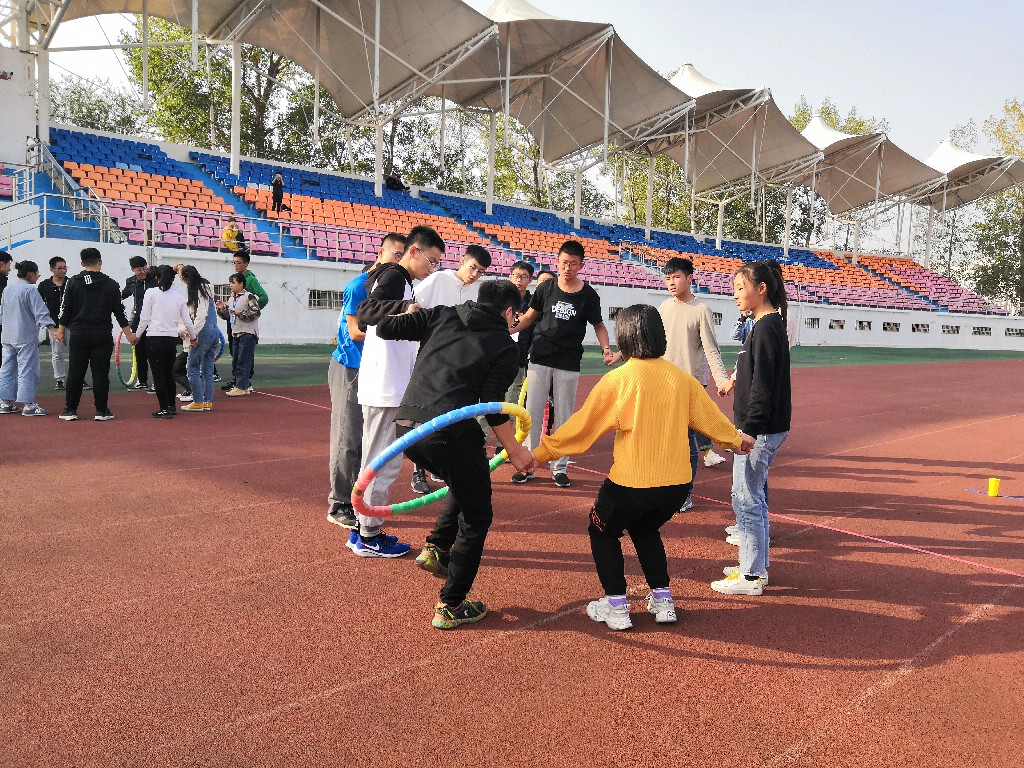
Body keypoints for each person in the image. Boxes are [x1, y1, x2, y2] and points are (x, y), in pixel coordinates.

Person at [527, 304, 753, 630]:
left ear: (624, 338)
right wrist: (736, 440)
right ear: (659, 336)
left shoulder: (619, 380)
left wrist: (541, 454)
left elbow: (582, 427)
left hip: (631, 484)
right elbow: (711, 419)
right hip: (676, 486)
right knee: (645, 529)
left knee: (602, 531)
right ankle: (663, 601)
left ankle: (617, 606)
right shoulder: (682, 379)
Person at [376, 279, 533, 629]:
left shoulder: (441, 314)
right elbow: (493, 406)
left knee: (464, 480)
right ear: (509, 311)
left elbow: (385, 328)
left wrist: (411, 311)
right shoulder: (504, 346)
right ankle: (451, 604)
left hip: (408, 428)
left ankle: (436, 547)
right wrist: (515, 450)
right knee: (477, 517)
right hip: (447, 434)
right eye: (516, 315)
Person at [351, 225, 442, 557]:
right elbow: (366, 313)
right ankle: (368, 535)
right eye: (431, 261)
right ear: (413, 251)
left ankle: (362, 530)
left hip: (388, 385)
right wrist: (405, 308)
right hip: (385, 387)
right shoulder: (394, 276)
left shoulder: (401, 280)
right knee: (382, 461)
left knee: (377, 459)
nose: (433, 268)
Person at [712, 261, 792, 596]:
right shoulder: (762, 325)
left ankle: (751, 575)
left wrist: (751, 430)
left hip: (758, 429)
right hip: (756, 426)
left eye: (740, 288)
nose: (735, 295)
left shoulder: (767, 327)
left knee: (747, 499)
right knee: (747, 497)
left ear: (761, 289)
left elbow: (763, 386)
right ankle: (753, 567)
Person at [510, 241, 614, 488]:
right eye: (564, 263)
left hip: (568, 361)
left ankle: (559, 467)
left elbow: (599, 325)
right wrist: (507, 329)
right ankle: (528, 465)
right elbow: (529, 317)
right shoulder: (546, 288)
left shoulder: (588, 295)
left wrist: (606, 348)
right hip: (540, 357)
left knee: (564, 417)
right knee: (531, 413)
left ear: (581, 266)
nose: (568, 268)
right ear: (557, 262)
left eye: (573, 264)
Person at [327, 232, 407, 529]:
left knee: (369, 439)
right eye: (396, 254)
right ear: (380, 253)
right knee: (347, 438)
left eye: (403, 255)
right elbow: (355, 332)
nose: (399, 260)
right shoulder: (358, 286)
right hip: (351, 367)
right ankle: (339, 503)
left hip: (374, 370)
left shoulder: (398, 287)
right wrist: (399, 323)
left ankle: (358, 498)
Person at [406, 243, 491, 494]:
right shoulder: (439, 280)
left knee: (449, 412)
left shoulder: (477, 291)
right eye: (473, 267)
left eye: (481, 271)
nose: (474, 274)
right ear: (463, 261)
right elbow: (413, 305)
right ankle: (418, 470)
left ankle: (439, 464)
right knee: (423, 413)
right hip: (428, 357)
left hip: (456, 363)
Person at [656, 257, 733, 507]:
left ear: (690, 278)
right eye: (668, 278)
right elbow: (652, 343)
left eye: (676, 277)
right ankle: (667, 486)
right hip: (663, 384)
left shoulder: (701, 310)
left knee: (686, 440)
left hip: (689, 386)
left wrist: (721, 379)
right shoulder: (663, 308)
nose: (671, 282)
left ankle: (684, 494)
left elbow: (711, 349)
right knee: (666, 439)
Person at [57, 248, 136, 421]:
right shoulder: (111, 284)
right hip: (101, 333)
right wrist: (129, 334)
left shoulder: (72, 282)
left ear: (82, 263)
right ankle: (101, 410)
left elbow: (65, 309)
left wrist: (61, 331)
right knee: (100, 373)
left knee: (75, 372)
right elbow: (119, 312)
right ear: (100, 262)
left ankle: (71, 410)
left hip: (78, 333)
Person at [135, 265, 197, 419]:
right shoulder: (179, 298)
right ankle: (171, 406)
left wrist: (136, 336)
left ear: (156, 278)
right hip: (170, 340)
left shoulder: (150, 293)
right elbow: (187, 322)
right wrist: (193, 337)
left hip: (153, 339)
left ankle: (163, 408)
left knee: (158, 375)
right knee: (169, 374)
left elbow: (144, 319)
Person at [0, 260, 59, 416]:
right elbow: (41, 312)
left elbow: (2, 313)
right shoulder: (30, 290)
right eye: (37, 273)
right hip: (25, 336)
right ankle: (29, 405)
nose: (38, 276)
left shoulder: (8, 289)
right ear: (31, 274)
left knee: (7, 369)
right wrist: (53, 330)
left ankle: (5, 402)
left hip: (7, 335)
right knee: (27, 369)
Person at [221, 251, 268, 391]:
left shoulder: (250, 280)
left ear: (246, 264)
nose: (235, 265)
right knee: (235, 351)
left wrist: (250, 313)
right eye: (233, 263)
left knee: (244, 352)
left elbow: (264, 297)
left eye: (238, 263)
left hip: (245, 323)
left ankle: (245, 380)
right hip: (234, 321)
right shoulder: (236, 279)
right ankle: (238, 379)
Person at [179, 265, 220, 412]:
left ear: (186, 278)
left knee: (193, 369)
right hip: (214, 332)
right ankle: (207, 401)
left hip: (203, 333)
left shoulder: (197, 290)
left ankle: (197, 401)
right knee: (208, 369)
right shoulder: (208, 289)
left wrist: (193, 335)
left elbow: (201, 316)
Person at [216, 273, 261, 397]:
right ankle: (243, 385)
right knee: (236, 360)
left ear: (241, 284)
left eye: (233, 283)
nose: (231, 285)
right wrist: (221, 309)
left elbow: (256, 312)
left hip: (248, 333)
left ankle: (241, 386)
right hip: (235, 333)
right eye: (230, 283)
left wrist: (239, 314)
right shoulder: (231, 298)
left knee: (243, 360)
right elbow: (228, 316)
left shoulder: (249, 296)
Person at [121, 255, 157, 391]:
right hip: (138, 319)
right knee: (139, 351)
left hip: (154, 319)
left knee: (153, 351)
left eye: (144, 269)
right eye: (139, 270)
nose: (142, 272)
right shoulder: (131, 281)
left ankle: (157, 382)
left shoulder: (154, 278)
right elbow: (122, 295)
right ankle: (142, 381)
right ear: (133, 270)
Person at [37, 257, 69, 389]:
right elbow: (38, 304)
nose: (63, 270)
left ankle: (79, 379)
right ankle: (60, 380)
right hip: (54, 326)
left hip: (72, 324)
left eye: (65, 268)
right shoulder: (44, 285)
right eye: (60, 268)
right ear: (52, 269)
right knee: (57, 353)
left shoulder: (72, 283)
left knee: (77, 354)